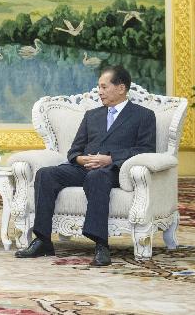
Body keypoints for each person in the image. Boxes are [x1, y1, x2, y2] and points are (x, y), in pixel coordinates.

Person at [15, 65, 156, 266]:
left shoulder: (143, 115)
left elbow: (146, 150)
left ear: (121, 88)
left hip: (115, 171)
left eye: (104, 87)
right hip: (84, 167)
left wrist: (110, 159)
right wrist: (81, 159)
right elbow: (74, 150)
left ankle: (101, 245)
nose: (99, 91)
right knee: (46, 174)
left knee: (97, 176)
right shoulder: (92, 115)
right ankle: (43, 241)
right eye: (99, 87)